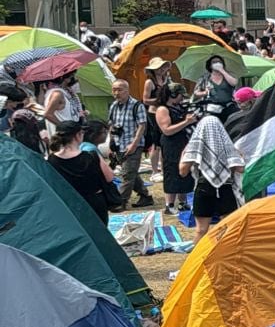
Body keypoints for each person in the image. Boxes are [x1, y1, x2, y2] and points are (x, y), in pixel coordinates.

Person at [180, 108, 243, 238]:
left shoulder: (195, 146)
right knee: (227, 228)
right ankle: (226, 256)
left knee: (201, 230)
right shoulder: (227, 145)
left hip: (204, 187)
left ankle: (198, 258)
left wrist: (185, 153)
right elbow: (240, 168)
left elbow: (183, 171)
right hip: (225, 187)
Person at [47, 120, 117, 222]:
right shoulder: (91, 156)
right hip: (94, 202)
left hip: (70, 202)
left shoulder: (52, 159)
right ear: (78, 135)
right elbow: (109, 177)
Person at [106, 79, 152, 207]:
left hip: (134, 144)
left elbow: (142, 126)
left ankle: (121, 201)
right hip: (118, 144)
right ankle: (145, 196)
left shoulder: (137, 105)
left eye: (119, 90)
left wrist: (134, 144)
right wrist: (111, 144)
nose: (116, 93)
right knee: (131, 172)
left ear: (127, 90)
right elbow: (111, 126)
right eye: (114, 90)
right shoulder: (113, 106)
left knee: (127, 174)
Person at [152, 80, 196, 213]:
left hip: (183, 141)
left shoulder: (179, 107)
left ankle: (183, 202)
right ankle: (169, 205)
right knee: (172, 171)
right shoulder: (162, 109)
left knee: (184, 171)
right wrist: (186, 122)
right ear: (172, 95)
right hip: (171, 143)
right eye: (180, 95)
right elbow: (167, 130)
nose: (182, 98)